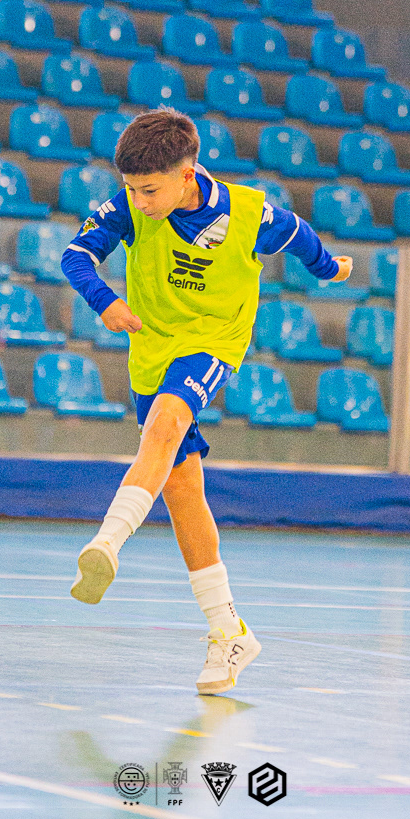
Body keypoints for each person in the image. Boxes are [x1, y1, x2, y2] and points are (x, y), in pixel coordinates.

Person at [60, 109, 352, 695]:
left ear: (187, 174)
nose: (138, 200)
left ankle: (108, 542)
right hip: (152, 350)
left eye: (149, 190)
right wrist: (104, 300)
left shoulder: (248, 213)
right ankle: (229, 631)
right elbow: (76, 255)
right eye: (131, 189)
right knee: (183, 492)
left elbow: (299, 235)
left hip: (214, 341)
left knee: (167, 423)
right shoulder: (129, 208)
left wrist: (329, 268)